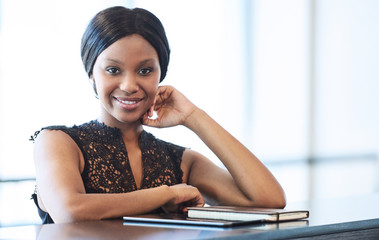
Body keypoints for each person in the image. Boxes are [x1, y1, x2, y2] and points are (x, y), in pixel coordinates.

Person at [31, 6, 286, 224]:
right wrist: (167, 194)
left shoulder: (180, 161)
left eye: (144, 71)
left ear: (160, 75)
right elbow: (70, 211)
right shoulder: (58, 142)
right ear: (91, 75)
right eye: (112, 69)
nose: (129, 85)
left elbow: (268, 199)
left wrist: (193, 117)